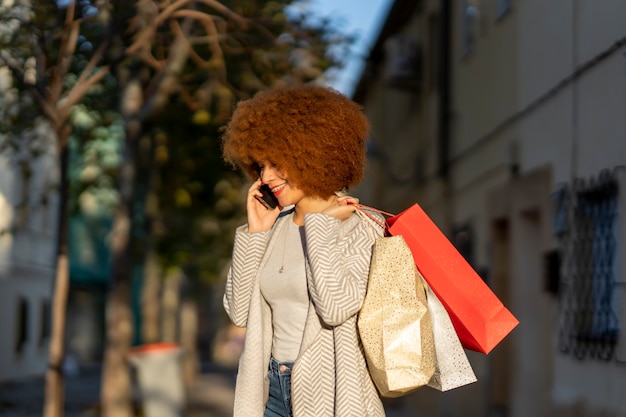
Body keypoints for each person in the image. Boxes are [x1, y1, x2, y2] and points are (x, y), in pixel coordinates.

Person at [221, 83, 385, 417]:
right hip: (272, 390)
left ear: (312, 153)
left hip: (333, 395)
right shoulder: (274, 226)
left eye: (277, 163)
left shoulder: (360, 226)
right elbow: (239, 312)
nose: (266, 177)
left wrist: (321, 226)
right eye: (260, 165)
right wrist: (254, 233)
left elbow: (335, 307)